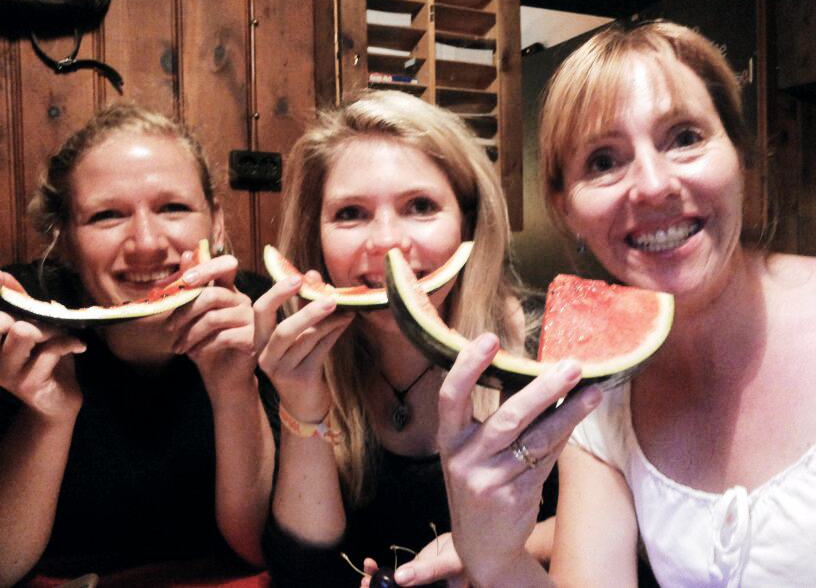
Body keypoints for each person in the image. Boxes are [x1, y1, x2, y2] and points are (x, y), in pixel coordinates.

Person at [439, 19, 816, 587]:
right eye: (603, 161)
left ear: (738, 154)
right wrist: (493, 554)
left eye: (685, 138)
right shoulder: (600, 399)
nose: (651, 184)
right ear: (566, 209)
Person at [254, 89, 557, 587]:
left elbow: (620, 524)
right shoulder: (292, 359)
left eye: (420, 206)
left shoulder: (543, 342)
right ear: (316, 233)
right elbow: (304, 574)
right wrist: (303, 405)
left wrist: (490, 547)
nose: (388, 244)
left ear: (469, 221)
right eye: (350, 213)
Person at [0, 103, 275, 585]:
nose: (146, 242)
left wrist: (234, 386)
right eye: (107, 216)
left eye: (173, 208)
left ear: (216, 221)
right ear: (63, 240)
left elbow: (257, 548)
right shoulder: (24, 332)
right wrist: (50, 414)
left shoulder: (260, 318)